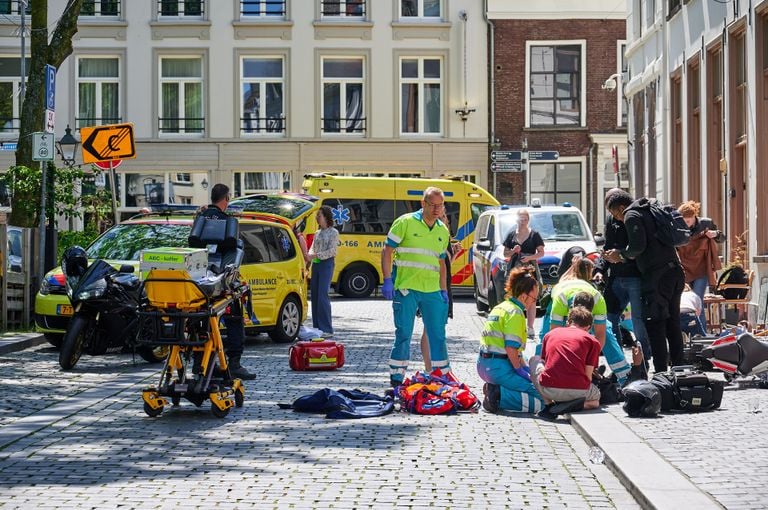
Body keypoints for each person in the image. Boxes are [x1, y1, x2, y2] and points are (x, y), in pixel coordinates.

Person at [605, 191, 685, 373]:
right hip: (675, 271)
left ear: (621, 208)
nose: (617, 219)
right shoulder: (648, 209)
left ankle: (661, 371)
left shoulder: (631, 215)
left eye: (616, 214)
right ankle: (679, 368)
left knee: (655, 323)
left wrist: (621, 255)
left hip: (657, 275)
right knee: (673, 321)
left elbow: (637, 247)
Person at [381, 187, 451, 386]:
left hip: (432, 291)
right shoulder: (405, 222)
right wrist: (387, 280)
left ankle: (441, 378)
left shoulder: (442, 230)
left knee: (438, 336)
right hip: (406, 289)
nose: (437, 209)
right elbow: (387, 251)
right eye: (433, 205)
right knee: (404, 334)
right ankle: (396, 379)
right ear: (423, 203)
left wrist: (443, 289)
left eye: (440, 205)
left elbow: (441, 262)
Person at [197, 183, 255, 380]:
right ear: (226, 199)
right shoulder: (229, 222)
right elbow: (233, 248)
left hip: (200, 282)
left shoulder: (200, 219)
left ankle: (202, 364)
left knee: (201, 322)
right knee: (235, 318)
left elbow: (193, 242)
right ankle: (234, 363)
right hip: (223, 281)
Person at [545, 257, 632, 384]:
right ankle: (546, 376)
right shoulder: (560, 301)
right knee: (545, 339)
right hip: (559, 302)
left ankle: (625, 377)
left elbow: (600, 335)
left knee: (607, 333)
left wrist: (590, 362)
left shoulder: (598, 300)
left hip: (581, 298)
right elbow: (555, 338)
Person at [477, 266, 545, 414]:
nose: (534, 303)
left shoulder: (501, 307)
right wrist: (519, 370)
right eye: (534, 299)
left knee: (528, 378)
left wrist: (525, 368)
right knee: (542, 399)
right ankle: (498, 395)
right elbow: (511, 348)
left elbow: (516, 351)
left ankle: (497, 389)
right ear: (523, 296)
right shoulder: (515, 313)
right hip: (499, 368)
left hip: (485, 365)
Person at [595, 188, 652, 362]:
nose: (612, 214)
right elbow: (607, 247)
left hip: (635, 276)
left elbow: (640, 248)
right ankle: (618, 358)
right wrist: (599, 269)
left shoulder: (635, 216)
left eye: (612, 209)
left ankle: (643, 360)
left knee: (638, 320)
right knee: (609, 318)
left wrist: (619, 255)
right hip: (616, 277)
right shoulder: (611, 220)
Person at [530, 305, 602, 417]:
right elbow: (588, 377)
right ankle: (572, 405)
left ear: (568, 322)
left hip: (549, 388)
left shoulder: (549, 335)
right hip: (579, 391)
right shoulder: (592, 341)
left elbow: (545, 362)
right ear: (588, 327)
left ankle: (549, 405)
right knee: (595, 402)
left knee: (534, 360)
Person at [419, 211, 461, 372]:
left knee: (436, 328)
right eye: (443, 217)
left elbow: (446, 265)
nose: (445, 219)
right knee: (429, 329)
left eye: (445, 216)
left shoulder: (444, 239)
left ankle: (434, 366)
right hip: (434, 287)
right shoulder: (434, 238)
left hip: (442, 287)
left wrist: (454, 254)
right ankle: (430, 367)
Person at [676, 200, 724, 333]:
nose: (686, 224)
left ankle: (701, 334)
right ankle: (685, 331)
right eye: (683, 221)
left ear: (694, 217)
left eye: (689, 221)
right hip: (683, 268)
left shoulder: (706, 223)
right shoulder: (676, 225)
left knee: (697, 300)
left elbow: (722, 237)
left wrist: (715, 234)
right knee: (682, 300)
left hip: (701, 269)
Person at [502, 208, 545, 338]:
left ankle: (530, 327)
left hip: (530, 270)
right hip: (515, 270)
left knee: (531, 298)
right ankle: (516, 324)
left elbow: (541, 253)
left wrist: (530, 258)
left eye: (525, 219)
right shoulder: (511, 235)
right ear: (517, 219)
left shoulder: (534, 234)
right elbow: (505, 253)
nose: (523, 222)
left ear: (528, 220)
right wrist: (513, 251)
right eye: (521, 219)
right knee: (515, 297)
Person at [307, 205, 339, 337]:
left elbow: (333, 251)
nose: (317, 218)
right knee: (314, 295)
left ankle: (327, 328)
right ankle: (317, 327)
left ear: (326, 217)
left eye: (319, 215)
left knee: (322, 295)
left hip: (326, 264)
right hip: (316, 264)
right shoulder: (317, 233)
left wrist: (316, 255)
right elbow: (312, 248)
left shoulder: (334, 232)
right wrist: (309, 258)